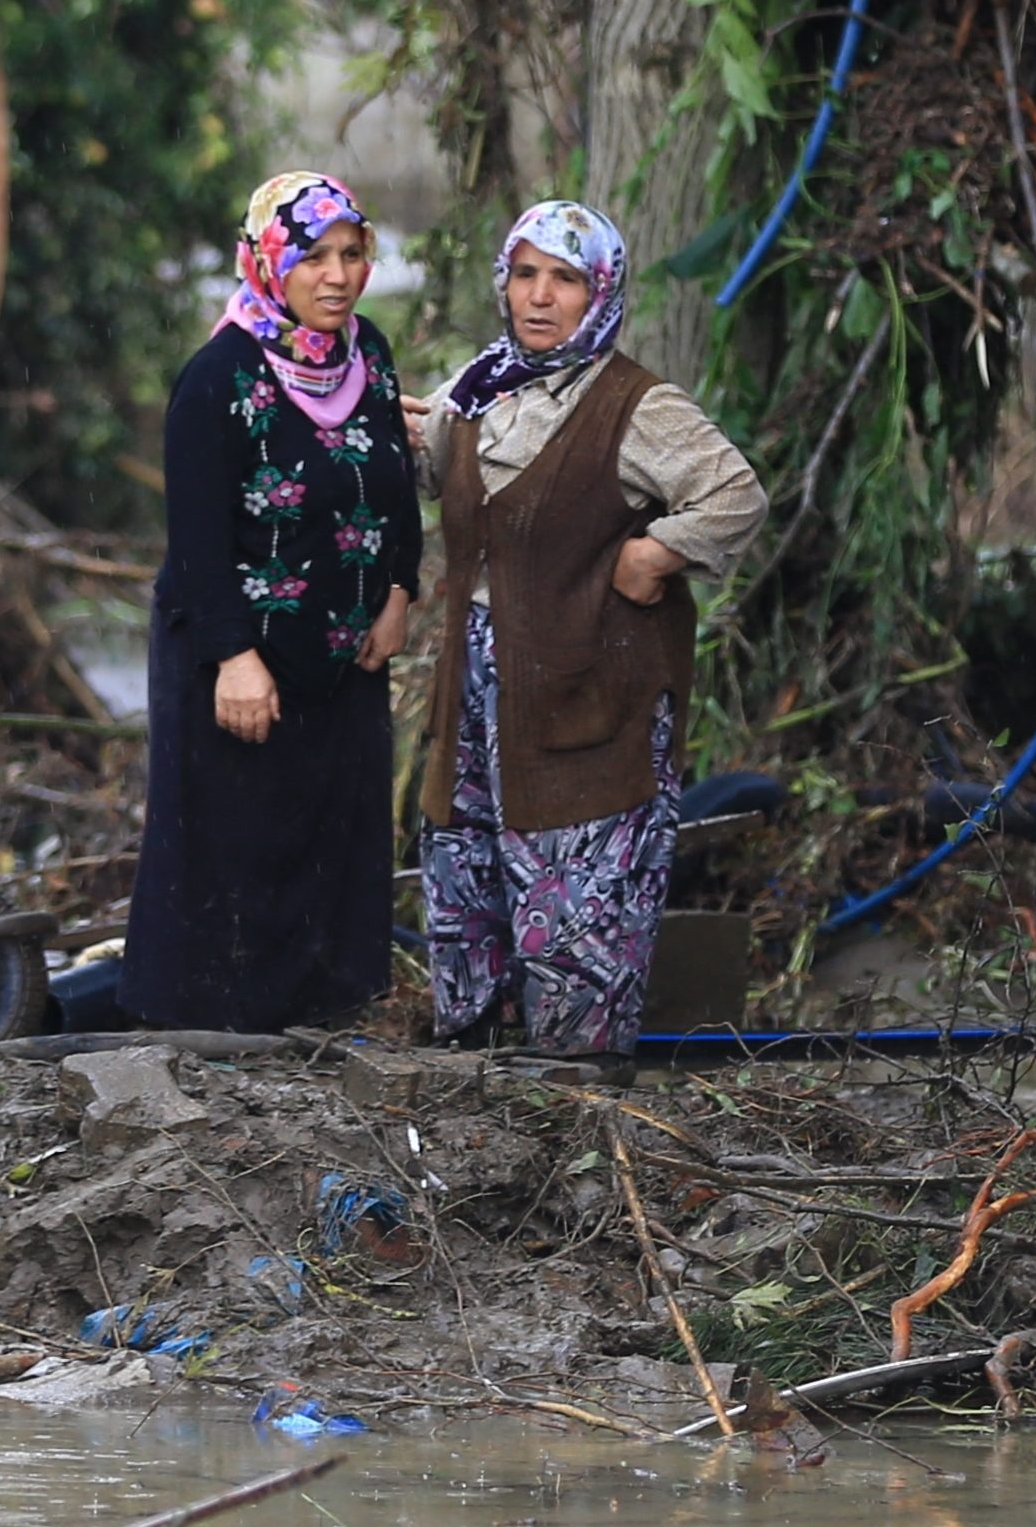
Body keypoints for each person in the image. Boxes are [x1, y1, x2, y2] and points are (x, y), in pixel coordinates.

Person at [403, 201, 765, 1060]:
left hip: (588, 694)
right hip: (478, 695)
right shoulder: (479, 387)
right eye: (524, 274)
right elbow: (454, 485)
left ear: (598, 292)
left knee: (578, 902)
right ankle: (478, 1081)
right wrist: (409, 436)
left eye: (564, 278)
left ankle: (576, 1095)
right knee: (471, 881)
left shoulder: (636, 406)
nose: (539, 297)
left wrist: (654, 552)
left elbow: (737, 495)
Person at [123, 171, 421, 1034]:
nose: (337, 276)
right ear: (268, 263)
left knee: (333, 837)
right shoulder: (216, 377)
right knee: (230, 845)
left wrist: (400, 587)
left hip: (346, 657)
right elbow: (198, 540)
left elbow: (397, 488)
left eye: (352, 254)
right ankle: (205, 1036)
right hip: (235, 658)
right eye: (314, 257)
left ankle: (320, 1024)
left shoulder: (371, 356)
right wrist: (234, 657)